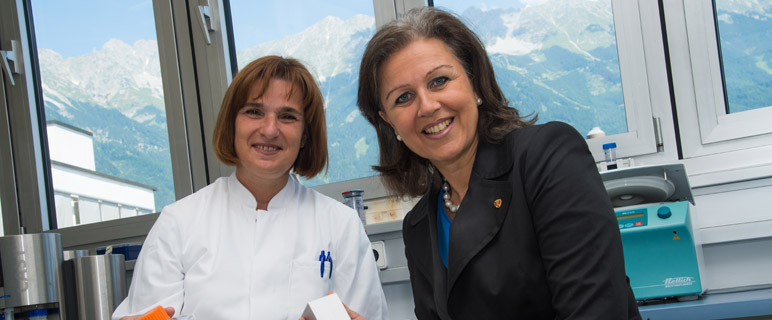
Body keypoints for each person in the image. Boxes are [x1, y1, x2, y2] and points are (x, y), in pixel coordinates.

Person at [357, 7, 641, 319]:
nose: (427, 106)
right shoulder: (419, 226)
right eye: (403, 98)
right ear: (389, 122)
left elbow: (595, 312)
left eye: (439, 81)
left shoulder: (548, 158)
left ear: (475, 83)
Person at [113, 56, 388, 320]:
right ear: (232, 124)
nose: (269, 130)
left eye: (288, 116)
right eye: (254, 112)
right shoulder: (179, 223)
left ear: (305, 135)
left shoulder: (340, 226)